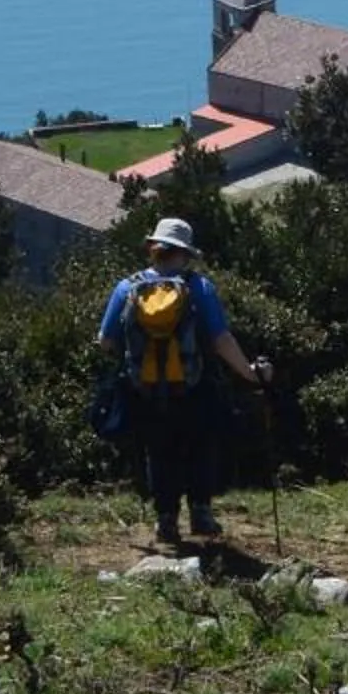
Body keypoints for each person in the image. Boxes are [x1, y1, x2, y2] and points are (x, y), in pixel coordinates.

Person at [97, 217, 271, 545]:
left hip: (145, 390)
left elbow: (105, 341)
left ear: (154, 250)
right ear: (186, 254)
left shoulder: (127, 287)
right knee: (200, 447)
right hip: (194, 386)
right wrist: (251, 373)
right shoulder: (199, 288)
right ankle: (201, 513)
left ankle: (166, 521)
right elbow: (221, 340)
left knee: (158, 452)